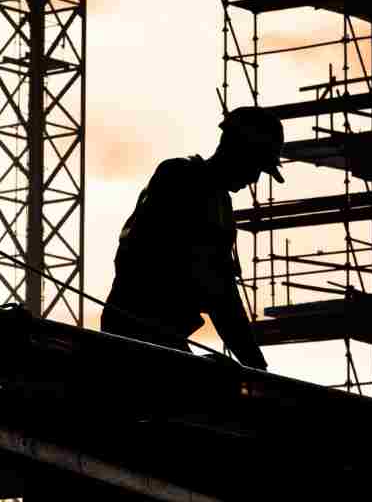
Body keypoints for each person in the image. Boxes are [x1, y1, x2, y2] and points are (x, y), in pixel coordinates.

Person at [100, 106, 285, 368]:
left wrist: (254, 363)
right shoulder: (181, 179)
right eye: (256, 165)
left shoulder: (218, 202)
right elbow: (217, 288)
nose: (254, 178)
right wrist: (254, 363)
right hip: (136, 331)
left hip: (158, 332)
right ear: (238, 151)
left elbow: (221, 291)